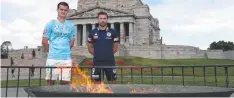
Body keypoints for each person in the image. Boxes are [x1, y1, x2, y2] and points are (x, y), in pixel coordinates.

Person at [41, 2, 75, 86]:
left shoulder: (71, 26)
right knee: (50, 84)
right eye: (61, 9)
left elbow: (72, 41)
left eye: (65, 10)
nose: (63, 11)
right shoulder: (50, 24)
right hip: (53, 58)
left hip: (66, 59)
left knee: (65, 85)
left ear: (68, 11)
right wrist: (52, 51)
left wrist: (65, 50)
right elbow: (44, 41)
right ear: (57, 10)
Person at [87, 11, 120, 84]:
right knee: (96, 84)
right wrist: (98, 54)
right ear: (98, 20)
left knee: (112, 83)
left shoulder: (113, 32)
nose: (102, 20)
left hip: (110, 62)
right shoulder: (92, 32)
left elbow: (115, 48)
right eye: (101, 18)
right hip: (97, 62)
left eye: (104, 18)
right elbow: (90, 48)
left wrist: (107, 54)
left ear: (107, 20)